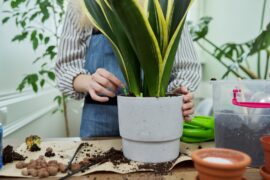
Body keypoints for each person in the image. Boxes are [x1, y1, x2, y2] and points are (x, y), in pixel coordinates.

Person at [55, 0, 201, 138]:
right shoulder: (82, 4)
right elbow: (66, 67)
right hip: (100, 122)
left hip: (156, 120)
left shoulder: (166, 4)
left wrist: (177, 93)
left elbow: (186, 68)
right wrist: (89, 82)